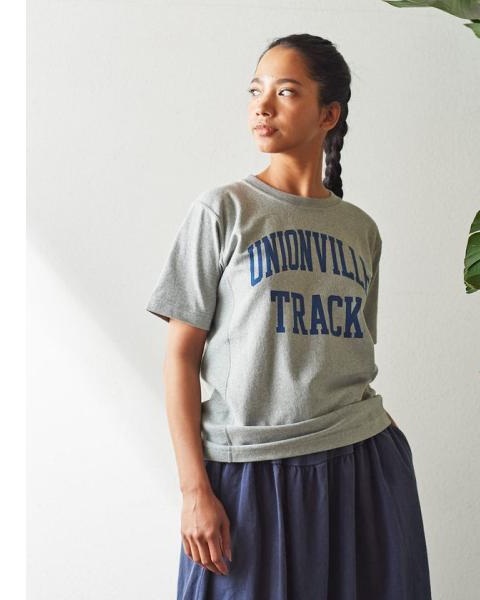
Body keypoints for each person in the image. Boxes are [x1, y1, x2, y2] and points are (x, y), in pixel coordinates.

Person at [146, 33, 432, 600]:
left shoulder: (361, 230)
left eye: (286, 91)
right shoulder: (222, 211)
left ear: (329, 114)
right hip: (249, 469)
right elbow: (180, 357)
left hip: (360, 465)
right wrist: (193, 491)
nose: (263, 106)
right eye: (256, 90)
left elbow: (348, 352)